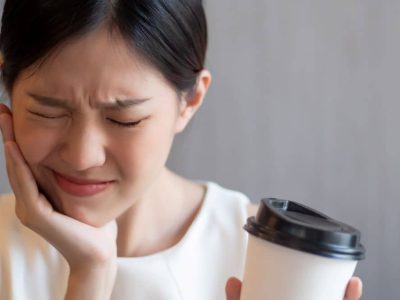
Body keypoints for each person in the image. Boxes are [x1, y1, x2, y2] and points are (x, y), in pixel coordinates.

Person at [0, 0, 363, 299]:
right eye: (49, 112)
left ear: (190, 101)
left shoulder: (265, 257)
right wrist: (89, 273)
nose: (82, 156)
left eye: (124, 119)